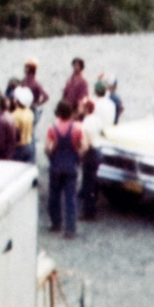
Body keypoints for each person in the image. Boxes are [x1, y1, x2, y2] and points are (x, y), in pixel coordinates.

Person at [45, 100, 85, 238]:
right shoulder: (77, 128)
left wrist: (51, 157)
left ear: (58, 113)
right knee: (70, 198)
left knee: (54, 197)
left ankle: (56, 224)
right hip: (71, 165)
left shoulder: (52, 128)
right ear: (71, 113)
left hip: (56, 165)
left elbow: (47, 148)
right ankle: (70, 229)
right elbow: (82, 147)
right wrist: (78, 159)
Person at [78, 100, 103, 220]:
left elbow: (86, 143)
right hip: (98, 151)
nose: (80, 109)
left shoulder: (85, 123)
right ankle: (93, 208)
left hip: (90, 153)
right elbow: (102, 132)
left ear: (86, 109)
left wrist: (80, 156)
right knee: (94, 183)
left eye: (82, 107)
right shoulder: (97, 119)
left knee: (88, 184)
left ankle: (88, 212)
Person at [21, 57, 50, 126]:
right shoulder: (26, 81)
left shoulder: (33, 83)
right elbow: (46, 97)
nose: (25, 69)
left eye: (27, 67)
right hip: (27, 110)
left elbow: (46, 96)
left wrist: (36, 104)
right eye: (25, 67)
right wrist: (37, 104)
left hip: (30, 110)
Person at [11, 86, 35, 163]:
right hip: (29, 145)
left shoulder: (15, 115)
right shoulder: (30, 113)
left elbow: (14, 133)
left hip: (18, 148)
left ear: (17, 101)